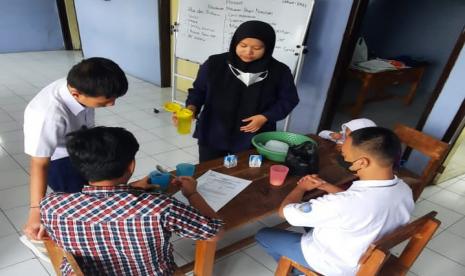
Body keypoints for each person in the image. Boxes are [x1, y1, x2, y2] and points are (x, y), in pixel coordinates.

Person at [40, 126, 223, 275]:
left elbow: (102, 214)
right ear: (131, 165)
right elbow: (214, 233)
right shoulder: (160, 206)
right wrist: (192, 194)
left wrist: (133, 189)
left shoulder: (52, 205)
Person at [255, 127, 414, 275]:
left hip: (335, 265)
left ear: (362, 162)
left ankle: (298, 272)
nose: (342, 157)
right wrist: (326, 186)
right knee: (312, 216)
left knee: (263, 235)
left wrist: (301, 188)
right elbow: (356, 203)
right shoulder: (404, 190)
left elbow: (285, 212)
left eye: (345, 155)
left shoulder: (343, 204)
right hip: (364, 250)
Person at [23, 57, 128, 242]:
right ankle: (85, 240)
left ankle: (102, 226)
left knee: (96, 193)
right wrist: (35, 211)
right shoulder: (48, 116)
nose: (112, 104)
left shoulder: (84, 85)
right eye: (105, 102)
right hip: (59, 159)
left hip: (80, 142)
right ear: (76, 94)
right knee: (78, 203)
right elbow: (39, 163)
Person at [179, 20, 299, 162]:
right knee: (210, 170)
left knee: (245, 173)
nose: (249, 52)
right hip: (214, 131)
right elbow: (198, 91)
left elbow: (289, 99)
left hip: (253, 135)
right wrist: (191, 109)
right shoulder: (214, 63)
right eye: (243, 45)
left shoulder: (279, 71)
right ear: (235, 42)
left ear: (268, 47)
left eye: (257, 48)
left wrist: (265, 117)